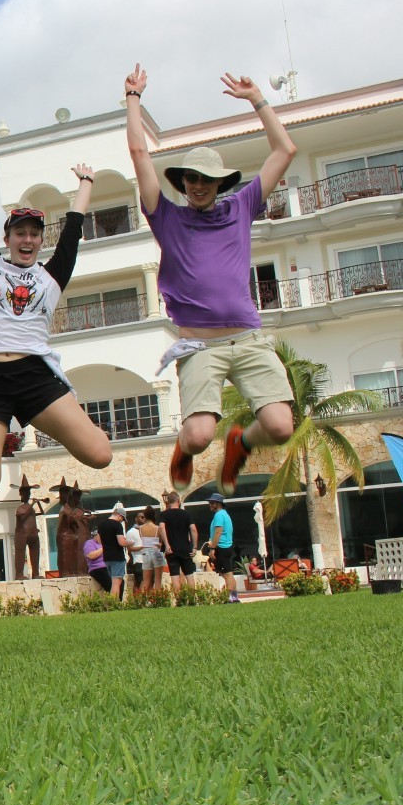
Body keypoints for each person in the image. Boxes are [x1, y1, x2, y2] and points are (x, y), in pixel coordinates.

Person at [125, 64, 296, 497]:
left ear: (220, 183)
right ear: (182, 182)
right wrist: (133, 100)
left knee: (279, 426)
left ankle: (241, 441)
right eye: (192, 178)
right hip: (200, 345)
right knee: (199, 435)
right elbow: (140, 156)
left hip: (249, 339)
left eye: (207, 180)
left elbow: (285, 150)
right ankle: (183, 447)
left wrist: (258, 100)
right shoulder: (166, 217)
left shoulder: (241, 206)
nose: (199, 186)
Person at [0, 143, 111, 503]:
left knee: (101, 456)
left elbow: (72, 232)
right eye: (20, 233)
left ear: (41, 240)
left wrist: (85, 184)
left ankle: (82, 426)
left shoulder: (51, 277)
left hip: (34, 377)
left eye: (34, 234)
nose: (27, 240)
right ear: (7, 239)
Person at [160, 491, 198, 591]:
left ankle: (179, 600)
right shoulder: (186, 514)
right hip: (185, 548)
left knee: (174, 575)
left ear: (168, 501)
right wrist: (194, 547)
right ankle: (191, 599)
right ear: (178, 501)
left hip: (171, 550)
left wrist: (166, 544)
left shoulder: (164, 515)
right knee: (189, 574)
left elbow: (161, 527)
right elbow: (193, 529)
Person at [203, 492, 238, 599]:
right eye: (210, 502)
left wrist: (212, 548)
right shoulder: (225, 514)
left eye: (212, 503)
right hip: (227, 547)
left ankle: (231, 599)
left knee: (226, 575)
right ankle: (234, 598)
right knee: (229, 574)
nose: (210, 505)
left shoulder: (218, 515)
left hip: (221, 548)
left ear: (218, 503)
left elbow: (218, 532)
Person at [98, 503, 129, 600]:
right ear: (120, 516)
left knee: (113, 582)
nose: (122, 521)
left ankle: (111, 603)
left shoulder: (101, 525)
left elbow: (99, 541)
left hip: (107, 557)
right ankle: (114, 604)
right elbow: (121, 542)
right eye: (123, 519)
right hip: (117, 557)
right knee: (117, 582)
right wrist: (130, 542)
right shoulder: (117, 525)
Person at [134, 507, 166, 594]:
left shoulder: (140, 528)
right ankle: (159, 600)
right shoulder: (158, 528)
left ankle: (142, 601)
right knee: (158, 580)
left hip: (145, 553)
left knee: (146, 580)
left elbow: (142, 539)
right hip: (156, 551)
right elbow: (160, 542)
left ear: (145, 516)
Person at [83, 528, 110, 593]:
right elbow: (91, 555)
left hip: (108, 566)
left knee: (121, 582)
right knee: (110, 584)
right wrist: (103, 548)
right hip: (97, 568)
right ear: (96, 535)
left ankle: (118, 601)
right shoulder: (89, 543)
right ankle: (115, 601)